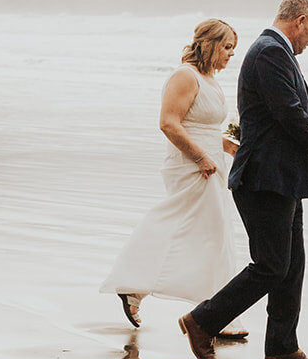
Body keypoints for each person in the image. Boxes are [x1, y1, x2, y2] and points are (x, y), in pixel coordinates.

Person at [178, 0, 308, 359]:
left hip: (283, 178)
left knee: (292, 265)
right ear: (300, 21)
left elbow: (285, 116)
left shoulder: (274, 51)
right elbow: (288, 112)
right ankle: (201, 322)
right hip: (264, 179)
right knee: (271, 266)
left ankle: (282, 349)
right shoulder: (270, 51)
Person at [101, 19, 248, 339]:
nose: (231, 54)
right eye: (226, 47)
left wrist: (229, 147)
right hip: (191, 164)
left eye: (233, 49)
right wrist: (200, 157)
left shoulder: (211, 79)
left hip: (211, 162)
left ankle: (214, 312)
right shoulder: (185, 76)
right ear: (208, 45)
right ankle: (136, 285)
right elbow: (169, 123)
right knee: (186, 226)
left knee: (215, 233)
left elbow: (205, 126)